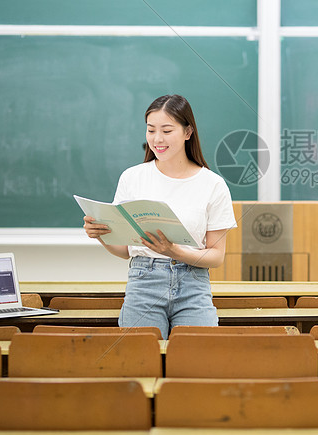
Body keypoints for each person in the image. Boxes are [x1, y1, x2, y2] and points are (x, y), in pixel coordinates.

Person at [83, 94, 236, 337]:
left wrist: (173, 251)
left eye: (166, 130)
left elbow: (216, 256)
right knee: (141, 358)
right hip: (144, 281)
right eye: (151, 130)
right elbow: (125, 251)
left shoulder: (212, 184)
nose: (157, 139)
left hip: (193, 284)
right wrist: (101, 236)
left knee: (196, 359)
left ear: (188, 132)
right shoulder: (132, 178)